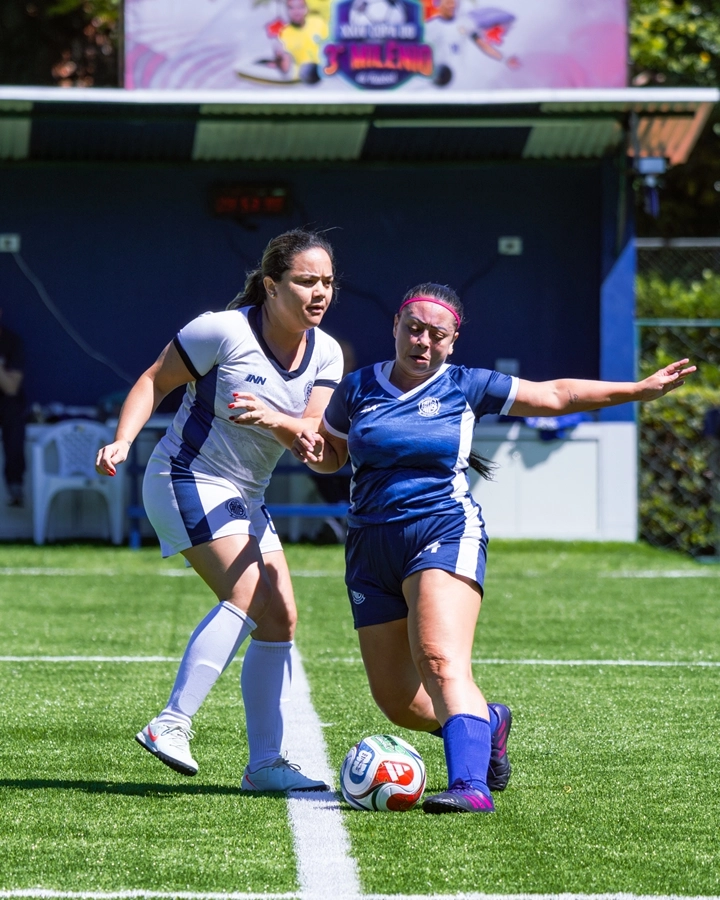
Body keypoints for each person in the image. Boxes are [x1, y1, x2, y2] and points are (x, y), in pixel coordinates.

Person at [292, 282, 696, 814]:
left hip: (442, 531)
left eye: (436, 335)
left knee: (439, 661)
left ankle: (469, 786)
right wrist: (297, 438)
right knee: (398, 703)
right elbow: (331, 457)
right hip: (369, 545)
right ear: (395, 326)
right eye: (413, 329)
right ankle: (490, 722)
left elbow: (556, 395)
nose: (422, 342)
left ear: (453, 341)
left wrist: (636, 391)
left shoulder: (468, 385)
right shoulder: (358, 386)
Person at [95, 229, 344, 792]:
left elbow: (309, 437)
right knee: (249, 594)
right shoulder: (221, 331)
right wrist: (123, 441)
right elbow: (152, 382)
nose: (320, 292)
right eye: (306, 280)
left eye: (327, 281)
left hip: (244, 495)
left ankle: (265, 765)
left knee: (280, 618)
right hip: (183, 477)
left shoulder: (324, 350)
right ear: (271, 284)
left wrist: (279, 423)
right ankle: (171, 722)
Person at [0, 308, 27, 508]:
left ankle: (15, 485)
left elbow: (11, 387)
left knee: (13, 413)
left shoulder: (11, 341)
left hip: (7, 407)